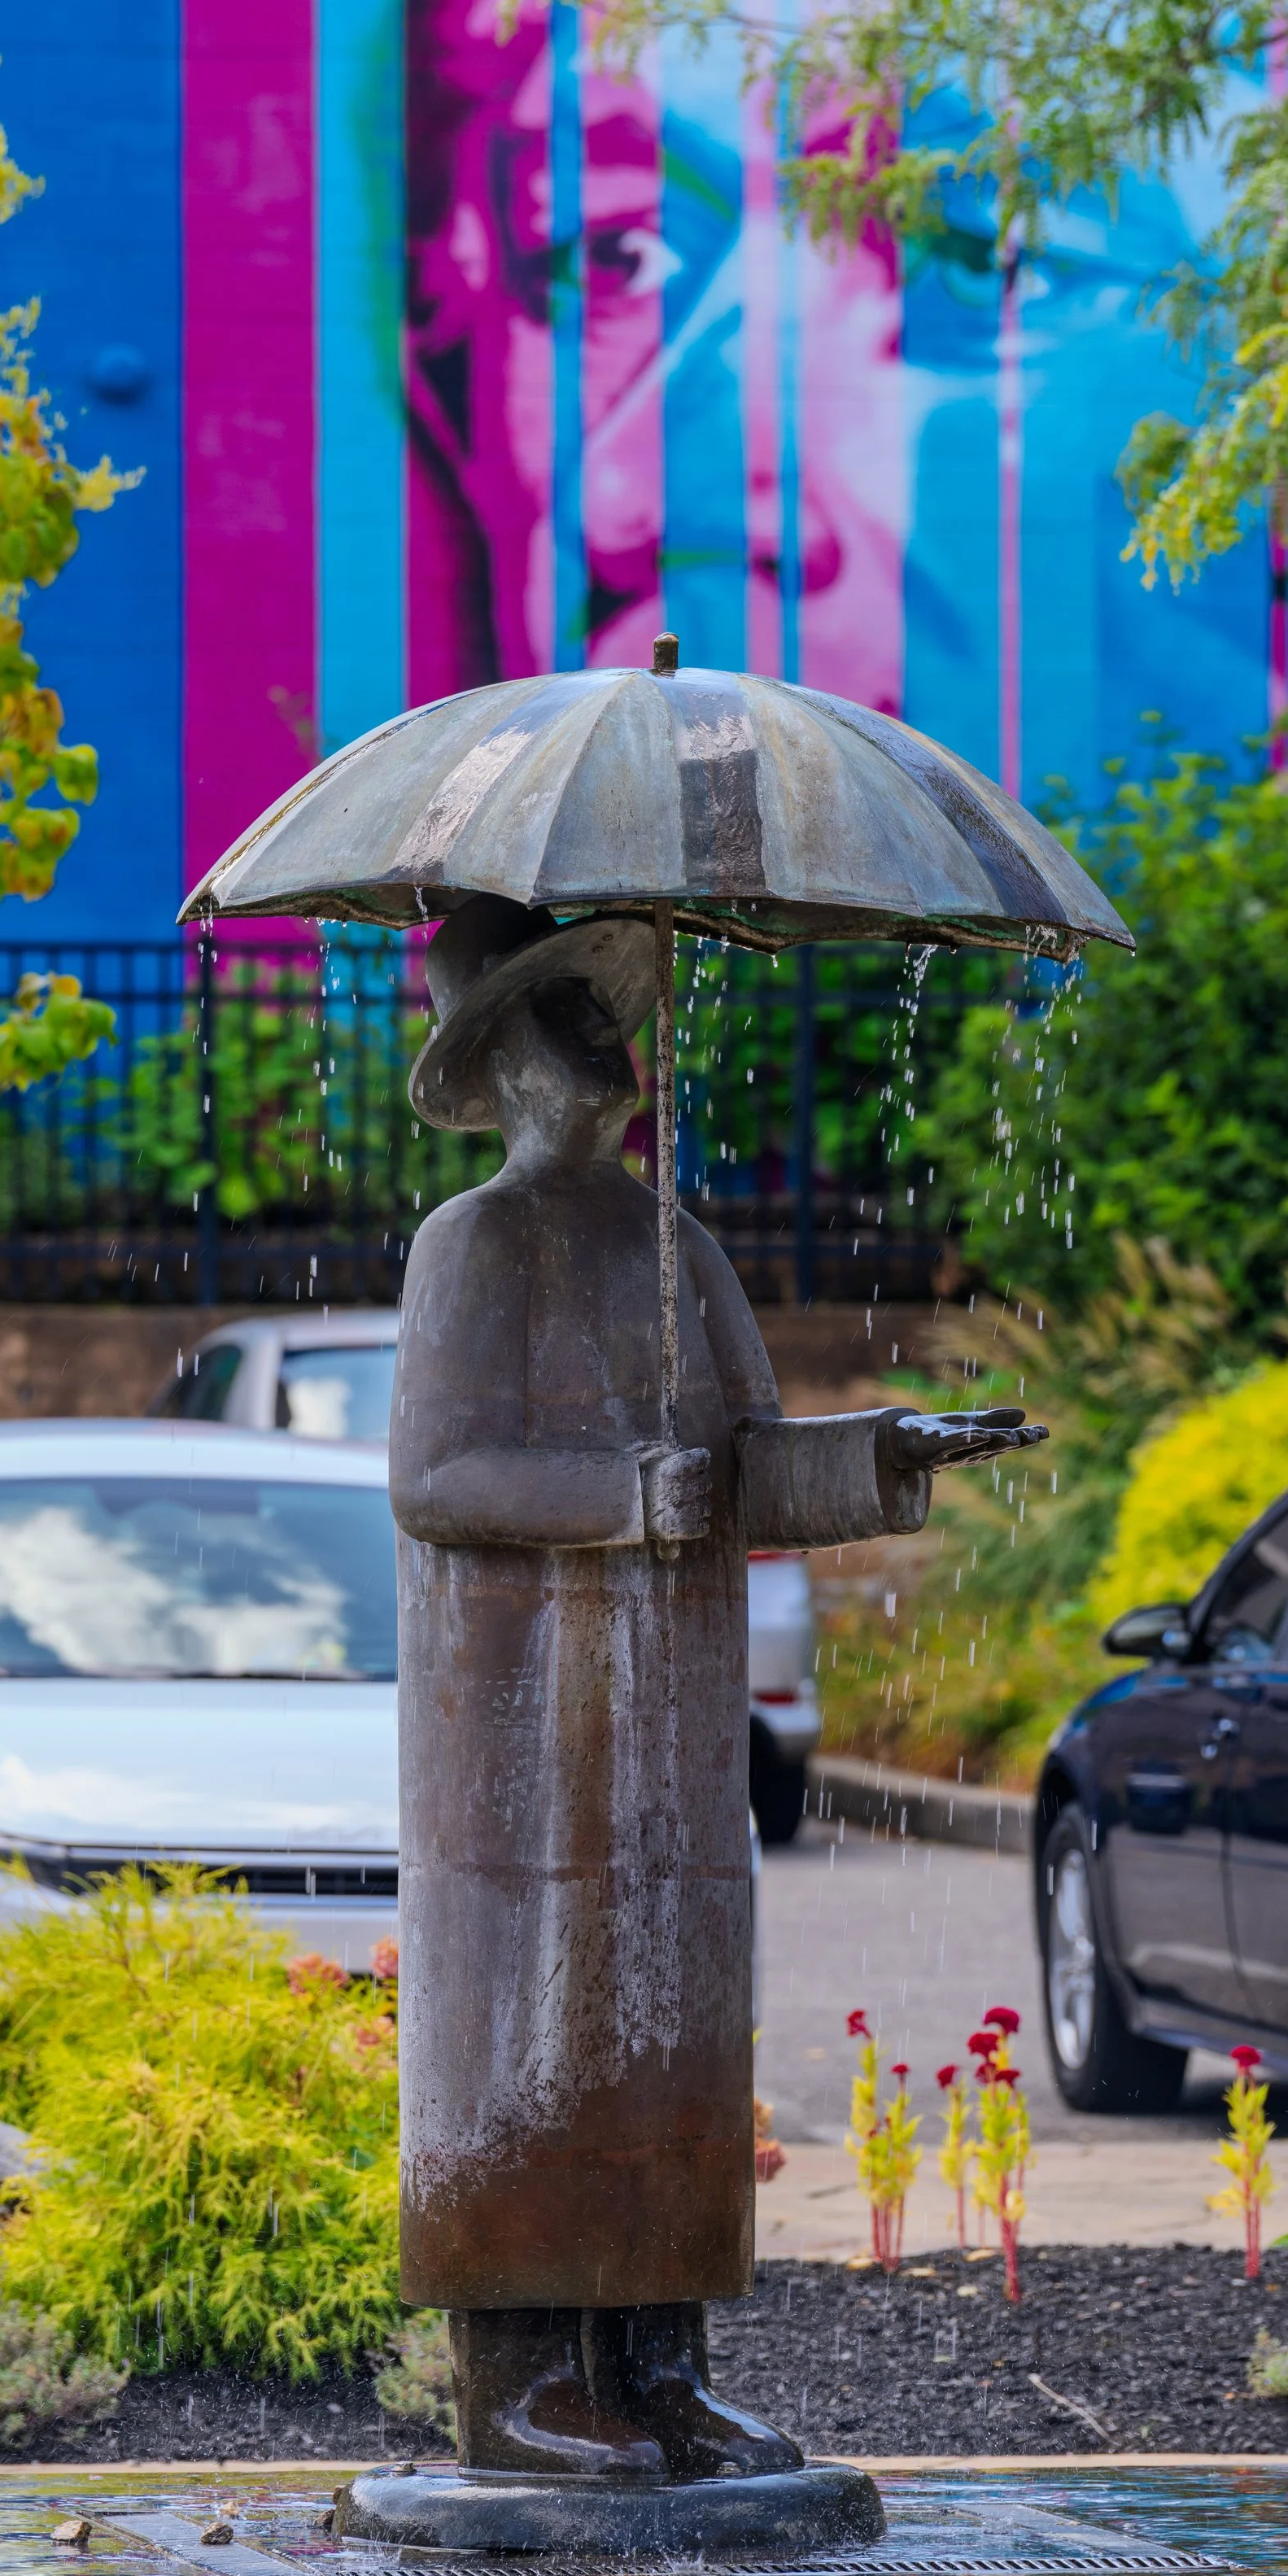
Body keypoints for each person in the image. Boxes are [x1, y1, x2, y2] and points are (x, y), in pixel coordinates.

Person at [389, 892, 1038, 2480]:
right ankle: (528, 2387)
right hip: (521, 1734)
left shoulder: (672, 1243)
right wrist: (630, 1496)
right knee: (529, 2030)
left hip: (670, 1727)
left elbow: (743, 1471)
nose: (612, 1035)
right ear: (501, 1055)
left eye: (609, 1003)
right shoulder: (470, 1244)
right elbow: (438, 1474)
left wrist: (885, 1454)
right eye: (567, 1009)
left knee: (673, 2021)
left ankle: (662, 2364)